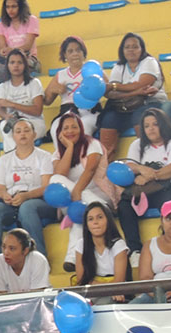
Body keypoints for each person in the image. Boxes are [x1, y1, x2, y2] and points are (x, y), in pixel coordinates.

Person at [118, 108, 171, 266]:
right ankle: (135, 250)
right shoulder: (137, 144)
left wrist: (151, 175)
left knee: (169, 202)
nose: (150, 129)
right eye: (147, 126)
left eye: (155, 124)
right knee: (124, 204)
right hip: (148, 191)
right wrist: (141, 169)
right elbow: (130, 166)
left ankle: (170, 245)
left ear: (163, 125)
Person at [51, 112, 118, 271]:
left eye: (74, 127)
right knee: (55, 180)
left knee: (80, 214)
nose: (70, 131)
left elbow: (90, 170)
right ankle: (96, 207)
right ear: (60, 132)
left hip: (99, 194)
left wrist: (78, 192)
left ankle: (72, 259)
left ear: (81, 129)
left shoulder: (92, 144)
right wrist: (69, 148)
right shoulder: (57, 153)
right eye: (66, 128)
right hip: (72, 200)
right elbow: (60, 174)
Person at [0, 118, 55, 260]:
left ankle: (40, 258)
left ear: (34, 134)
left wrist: (26, 196)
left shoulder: (44, 157)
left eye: (27, 130)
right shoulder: (5, 159)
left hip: (37, 200)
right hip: (11, 201)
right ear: (13, 136)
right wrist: (4, 195)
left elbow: (46, 187)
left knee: (27, 208)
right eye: (18, 131)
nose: (23, 134)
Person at [99, 32, 167, 160]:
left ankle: (150, 159)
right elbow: (111, 94)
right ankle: (106, 164)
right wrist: (136, 92)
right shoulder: (119, 66)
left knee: (140, 115)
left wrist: (115, 86)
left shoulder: (149, 61)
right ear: (122, 50)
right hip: (125, 106)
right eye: (127, 47)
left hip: (150, 102)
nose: (131, 50)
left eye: (135, 47)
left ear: (142, 49)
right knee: (108, 119)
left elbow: (142, 84)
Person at [43, 36, 100, 147]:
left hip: (90, 111)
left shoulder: (91, 70)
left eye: (78, 50)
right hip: (67, 111)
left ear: (83, 52)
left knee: (84, 127)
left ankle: (83, 156)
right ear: (65, 55)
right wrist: (54, 89)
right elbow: (47, 101)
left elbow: (106, 89)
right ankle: (61, 156)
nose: (75, 54)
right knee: (56, 128)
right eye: (70, 51)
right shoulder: (61, 75)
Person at [0, 0, 41, 107]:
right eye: (8, 7)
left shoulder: (31, 20)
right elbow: (2, 48)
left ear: (21, 6)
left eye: (14, 6)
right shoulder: (1, 25)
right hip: (9, 61)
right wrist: (3, 52)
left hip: (29, 59)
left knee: (15, 65)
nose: (10, 10)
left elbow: (28, 46)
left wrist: (12, 50)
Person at [75, 202, 129, 305]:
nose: (95, 222)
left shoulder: (118, 244)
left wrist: (100, 286)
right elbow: (81, 279)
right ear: (86, 225)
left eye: (99, 217)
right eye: (90, 219)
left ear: (108, 220)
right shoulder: (81, 244)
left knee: (100, 304)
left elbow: (119, 281)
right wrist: (101, 286)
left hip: (115, 292)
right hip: (92, 291)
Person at [0, 49, 45, 152]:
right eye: (12, 62)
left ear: (25, 65)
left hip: (34, 122)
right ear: (7, 66)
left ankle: (16, 156)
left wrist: (13, 105)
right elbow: (0, 109)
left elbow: (37, 111)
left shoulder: (34, 83)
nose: (16, 66)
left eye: (19, 62)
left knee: (20, 131)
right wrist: (6, 116)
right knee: (4, 125)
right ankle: (15, 155)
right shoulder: (2, 87)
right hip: (14, 123)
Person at [0, 228, 49, 293]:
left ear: (25, 250)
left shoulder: (38, 260)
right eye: (4, 247)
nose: (6, 252)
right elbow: (0, 296)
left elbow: (38, 296)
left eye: (12, 248)